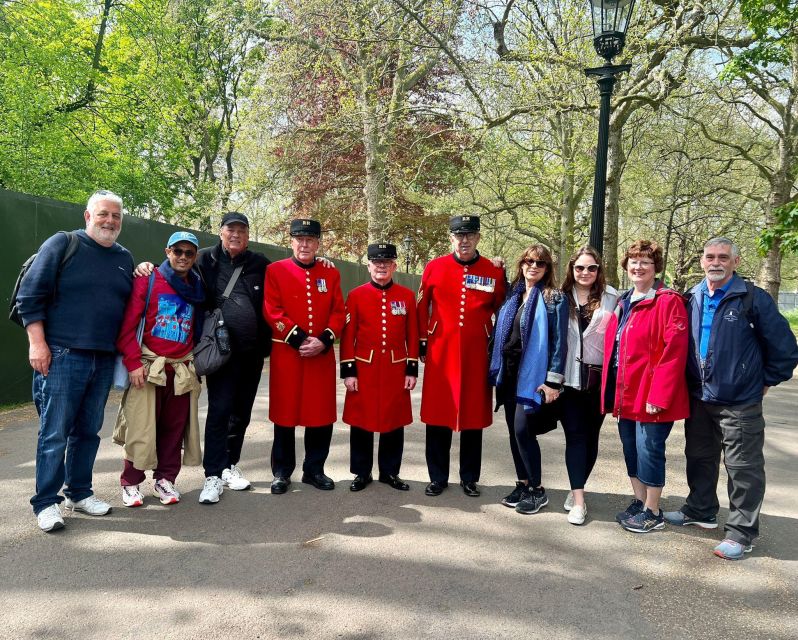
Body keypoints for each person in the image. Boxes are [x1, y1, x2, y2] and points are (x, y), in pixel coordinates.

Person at [664, 237, 798, 559]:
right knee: (699, 457)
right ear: (702, 261)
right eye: (710, 256)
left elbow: (785, 350)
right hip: (699, 397)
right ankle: (701, 510)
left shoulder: (753, 298)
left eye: (723, 257)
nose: (716, 262)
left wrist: (763, 381)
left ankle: (741, 533)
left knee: (743, 468)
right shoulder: (690, 298)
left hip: (740, 402)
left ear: (735, 262)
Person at [16, 190, 133, 532]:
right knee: (55, 433)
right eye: (103, 214)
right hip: (62, 355)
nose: (110, 221)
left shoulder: (124, 257)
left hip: (102, 359)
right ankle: (46, 503)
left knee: (88, 432)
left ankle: (79, 492)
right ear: (88, 216)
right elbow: (29, 296)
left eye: (116, 216)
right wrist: (37, 344)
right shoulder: (63, 244)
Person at [602, 239, 689, 533]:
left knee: (649, 449)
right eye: (634, 262)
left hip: (651, 394)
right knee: (630, 448)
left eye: (645, 262)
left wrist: (660, 395)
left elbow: (674, 352)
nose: (638, 267)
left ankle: (653, 512)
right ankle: (640, 502)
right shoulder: (624, 300)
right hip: (626, 392)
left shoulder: (668, 300)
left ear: (655, 268)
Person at [113, 232, 205, 507]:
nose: (183, 257)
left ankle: (165, 480)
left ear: (195, 257)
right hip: (148, 368)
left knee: (173, 430)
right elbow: (127, 327)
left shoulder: (198, 287)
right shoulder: (148, 279)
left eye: (189, 253)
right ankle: (130, 482)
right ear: (167, 251)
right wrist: (132, 363)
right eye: (178, 251)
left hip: (181, 370)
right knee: (141, 429)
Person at [417, 215, 506, 497]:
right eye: (458, 235)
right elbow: (422, 307)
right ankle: (438, 477)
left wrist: (497, 345)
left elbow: (502, 309)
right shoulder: (434, 267)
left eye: (469, 235)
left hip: (477, 352)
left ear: (478, 237)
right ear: (450, 238)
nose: (464, 240)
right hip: (440, 353)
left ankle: (469, 477)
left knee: (472, 417)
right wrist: (422, 342)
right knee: (438, 415)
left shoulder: (493, 269)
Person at [195, 212, 273, 504]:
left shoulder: (260, 263)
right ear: (221, 232)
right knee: (219, 410)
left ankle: (230, 465)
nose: (236, 234)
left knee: (241, 411)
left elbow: (292, 273)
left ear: (248, 235)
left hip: (251, 353)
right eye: (231, 229)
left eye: (242, 230)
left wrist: (323, 261)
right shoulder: (204, 260)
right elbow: (172, 270)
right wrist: (145, 266)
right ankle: (212, 475)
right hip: (220, 352)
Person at [263, 218, 345, 493]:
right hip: (287, 353)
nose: (304, 244)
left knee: (320, 414)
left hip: (320, 356)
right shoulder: (275, 270)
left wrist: (324, 340)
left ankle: (314, 470)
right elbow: (272, 309)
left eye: (310, 239)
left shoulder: (330, 273)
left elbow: (338, 311)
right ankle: (282, 472)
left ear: (318, 243)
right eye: (299, 239)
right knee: (284, 414)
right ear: (291, 241)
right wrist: (298, 338)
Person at [489, 244, 568, 515]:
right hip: (509, 372)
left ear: (547, 269)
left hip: (532, 375)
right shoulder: (514, 294)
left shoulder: (554, 298)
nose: (533, 266)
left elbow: (559, 342)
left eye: (540, 263)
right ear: (521, 263)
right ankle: (522, 483)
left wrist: (553, 381)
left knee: (523, 430)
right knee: (513, 431)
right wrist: (496, 268)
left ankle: (537, 489)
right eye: (528, 261)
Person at [340, 243, 419, 492]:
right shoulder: (356, 295)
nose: (381, 266)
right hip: (365, 368)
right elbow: (347, 335)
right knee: (361, 421)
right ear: (369, 266)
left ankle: (389, 472)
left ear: (394, 265)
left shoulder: (406, 296)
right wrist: (349, 371)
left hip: (395, 368)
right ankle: (362, 472)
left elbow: (413, 335)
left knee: (393, 421)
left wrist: (411, 369)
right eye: (377, 262)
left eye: (387, 262)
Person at [558, 246, 618, 525]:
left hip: (598, 381)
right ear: (572, 269)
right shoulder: (558, 297)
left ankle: (575, 486)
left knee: (591, 438)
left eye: (591, 268)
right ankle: (579, 502)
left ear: (599, 270)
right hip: (568, 380)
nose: (585, 272)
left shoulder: (613, 297)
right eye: (580, 267)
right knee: (575, 437)